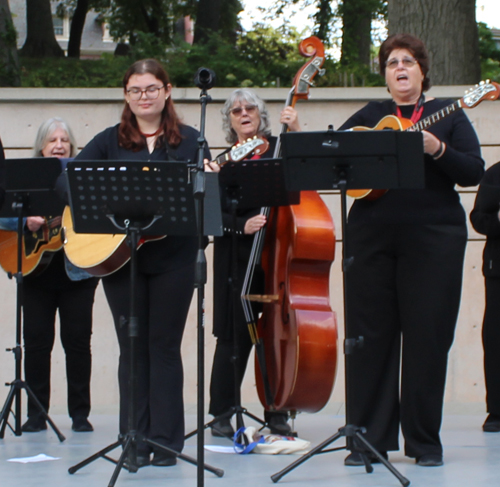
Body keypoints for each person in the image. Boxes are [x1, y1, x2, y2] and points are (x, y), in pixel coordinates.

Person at [338, 34, 484, 467]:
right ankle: (368, 439)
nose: (399, 68)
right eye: (391, 63)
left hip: (434, 239)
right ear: (385, 76)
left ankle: (423, 443)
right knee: (369, 339)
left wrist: (437, 148)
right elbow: (336, 156)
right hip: (371, 238)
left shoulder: (450, 116)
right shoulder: (370, 115)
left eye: (408, 61)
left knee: (427, 339)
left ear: (422, 71)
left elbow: (473, 170)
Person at [74, 59, 210, 468]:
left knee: (164, 347)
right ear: (126, 96)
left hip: (174, 258)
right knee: (131, 348)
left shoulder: (190, 140)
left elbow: (205, 198)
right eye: (135, 90)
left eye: (151, 88)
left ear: (167, 91)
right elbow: (69, 179)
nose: (143, 96)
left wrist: (208, 179)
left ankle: (166, 443)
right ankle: (133, 440)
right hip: (121, 260)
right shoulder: (108, 140)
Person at [207, 88, 299, 438]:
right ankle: (221, 412)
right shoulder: (223, 160)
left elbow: (306, 175)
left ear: (261, 115)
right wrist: (239, 225)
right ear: (230, 121)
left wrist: (297, 128)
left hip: (276, 254)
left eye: (250, 108)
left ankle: (276, 410)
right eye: (235, 111)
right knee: (232, 335)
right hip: (236, 257)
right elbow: (211, 216)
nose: (243, 113)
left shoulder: (280, 147)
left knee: (275, 333)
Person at [0, 118, 99, 433]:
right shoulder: (24, 179)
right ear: (40, 147)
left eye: (65, 140)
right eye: (52, 140)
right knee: (38, 343)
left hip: (77, 273)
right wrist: (24, 221)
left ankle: (80, 414)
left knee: (78, 342)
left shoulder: (82, 179)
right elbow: (3, 218)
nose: (59, 145)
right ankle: (36, 414)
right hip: (34, 271)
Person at [470, 162, 500, 433]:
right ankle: (497, 411)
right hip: (498, 270)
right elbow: (478, 218)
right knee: (496, 339)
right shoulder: (495, 173)